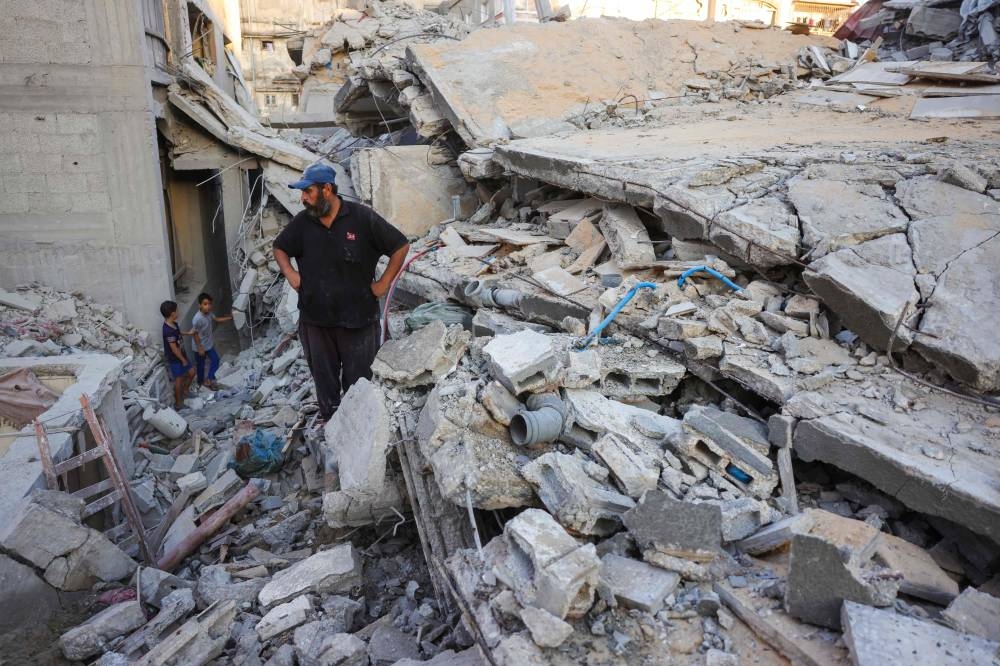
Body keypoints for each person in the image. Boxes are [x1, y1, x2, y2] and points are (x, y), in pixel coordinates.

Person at [273, 163, 409, 421]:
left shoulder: (361, 218)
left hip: (358, 321)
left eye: (308, 192)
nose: (303, 198)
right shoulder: (303, 223)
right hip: (315, 322)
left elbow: (400, 245)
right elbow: (279, 248)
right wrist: (291, 274)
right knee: (324, 384)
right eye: (302, 193)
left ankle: (357, 429)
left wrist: (383, 284)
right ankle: (331, 428)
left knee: (359, 384)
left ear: (327, 189)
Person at [191, 292, 232, 390]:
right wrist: (200, 348)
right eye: (205, 304)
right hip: (199, 347)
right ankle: (201, 382)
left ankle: (209, 379)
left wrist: (230, 317)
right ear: (199, 305)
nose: (208, 306)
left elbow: (216, 319)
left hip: (208, 345)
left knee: (215, 360)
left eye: (209, 304)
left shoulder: (209, 313)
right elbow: (195, 334)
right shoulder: (197, 319)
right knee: (201, 366)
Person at [160, 300, 196, 408]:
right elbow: (174, 349)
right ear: (172, 314)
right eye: (177, 311)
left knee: (192, 372)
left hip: (182, 355)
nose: (178, 312)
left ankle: (185, 390)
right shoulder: (168, 331)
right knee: (178, 380)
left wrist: (188, 333)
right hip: (176, 359)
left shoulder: (174, 324)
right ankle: (179, 403)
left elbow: (178, 334)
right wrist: (183, 360)